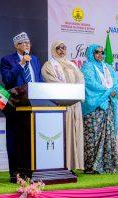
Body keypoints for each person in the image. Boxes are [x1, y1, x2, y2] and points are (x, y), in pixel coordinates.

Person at [0, 32, 43, 182]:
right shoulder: (7, 60)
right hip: (16, 106)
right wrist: (22, 64)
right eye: (23, 43)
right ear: (16, 46)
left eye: (28, 43)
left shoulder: (35, 59)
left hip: (34, 106)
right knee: (15, 139)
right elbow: (8, 79)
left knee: (31, 139)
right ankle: (16, 173)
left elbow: (39, 80)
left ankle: (31, 171)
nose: (27, 45)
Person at [41, 40, 84, 170]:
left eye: (64, 47)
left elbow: (81, 79)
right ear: (53, 50)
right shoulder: (48, 65)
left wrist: (75, 92)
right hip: (60, 105)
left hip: (74, 105)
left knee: (74, 134)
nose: (61, 50)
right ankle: (62, 165)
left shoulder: (72, 65)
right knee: (63, 134)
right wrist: (69, 91)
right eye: (58, 48)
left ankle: (72, 165)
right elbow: (51, 81)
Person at [81, 44, 118, 174]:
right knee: (93, 136)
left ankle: (107, 165)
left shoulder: (108, 67)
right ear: (91, 53)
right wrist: (108, 91)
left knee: (108, 135)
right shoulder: (87, 67)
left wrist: (113, 90)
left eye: (102, 52)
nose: (100, 54)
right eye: (96, 52)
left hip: (108, 105)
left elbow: (116, 82)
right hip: (94, 107)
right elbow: (90, 84)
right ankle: (91, 167)